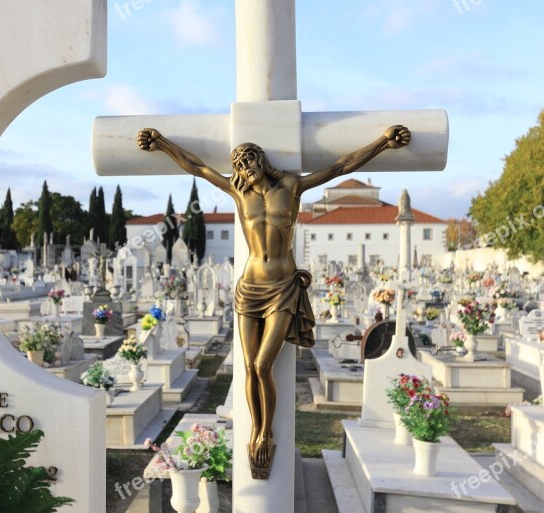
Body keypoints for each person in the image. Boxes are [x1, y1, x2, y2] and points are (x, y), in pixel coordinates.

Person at [137, 125, 411, 478]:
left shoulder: (292, 186)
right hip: (249, 287)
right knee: (248, 366)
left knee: (264, 365)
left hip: (282, 287)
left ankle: (266, 431)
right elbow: (197, 167)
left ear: (262, 162)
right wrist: (161, 143)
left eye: (248, 164)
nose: (244, 172)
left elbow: (342, 166)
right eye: (238, 167)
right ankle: (254, 431)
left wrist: (384, 143)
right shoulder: (239, 194)